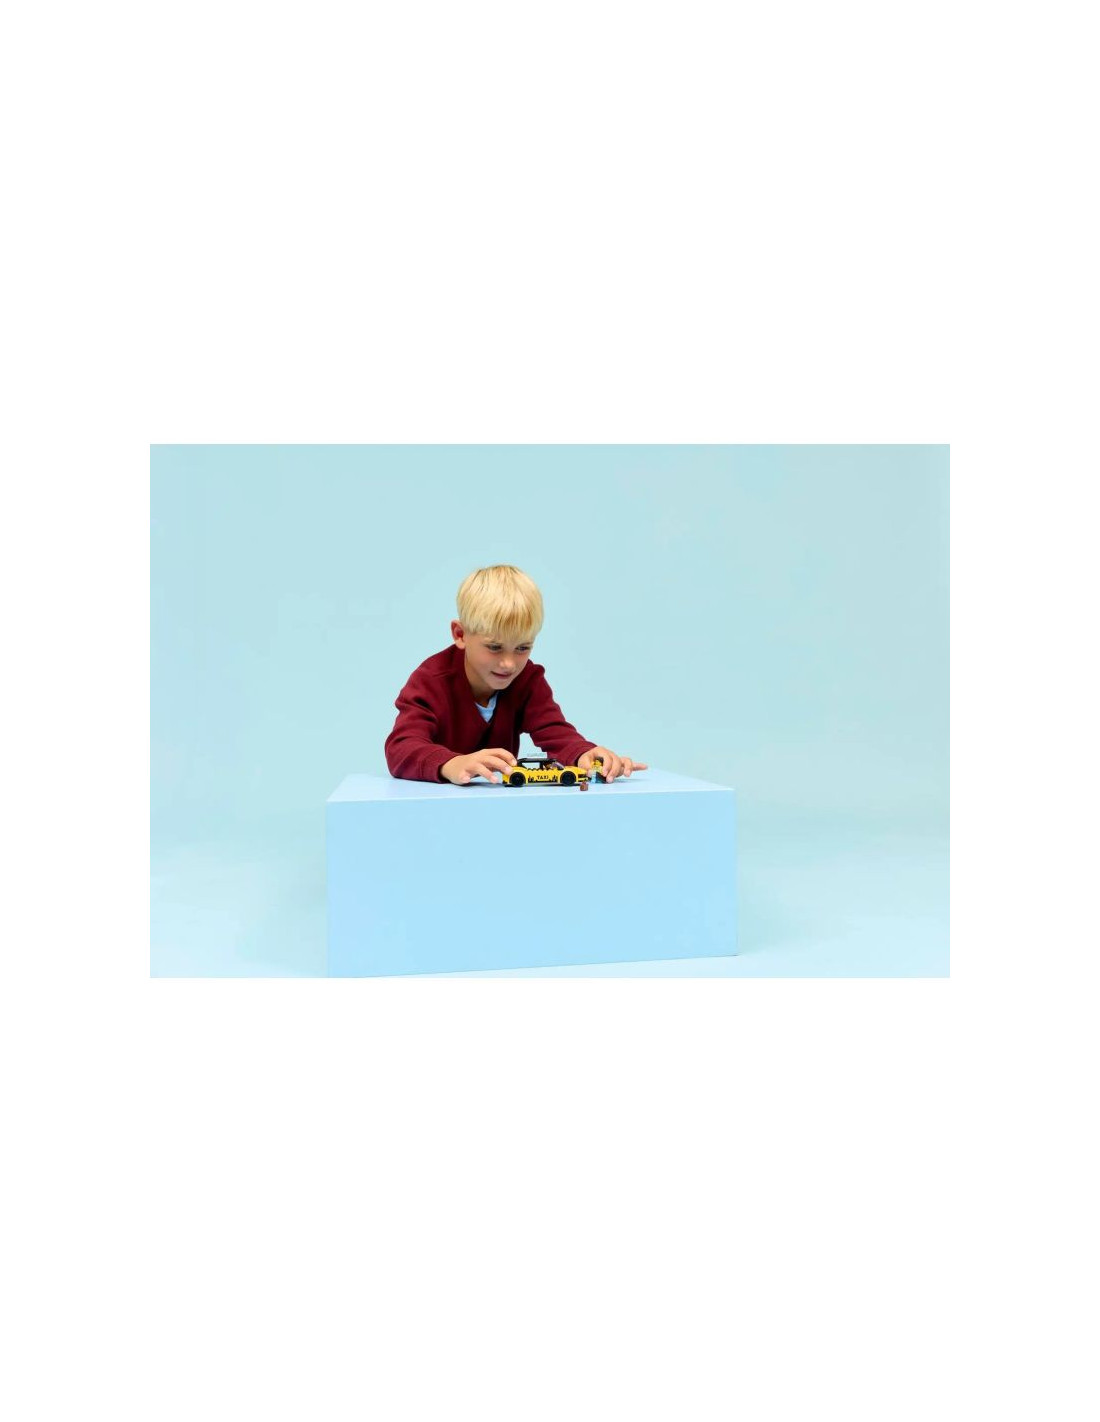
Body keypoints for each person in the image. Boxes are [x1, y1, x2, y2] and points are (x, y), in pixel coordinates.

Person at [385, 564, 648, 786]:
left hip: (501, 806)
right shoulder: (431, 681)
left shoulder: (527, 680)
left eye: (522, 648)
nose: (508, 664)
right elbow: (401, 747)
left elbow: (554, 731)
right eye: (494, 647)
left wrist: (585, 754)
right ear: (460, 634)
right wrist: (451, 764)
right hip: (437, 809)